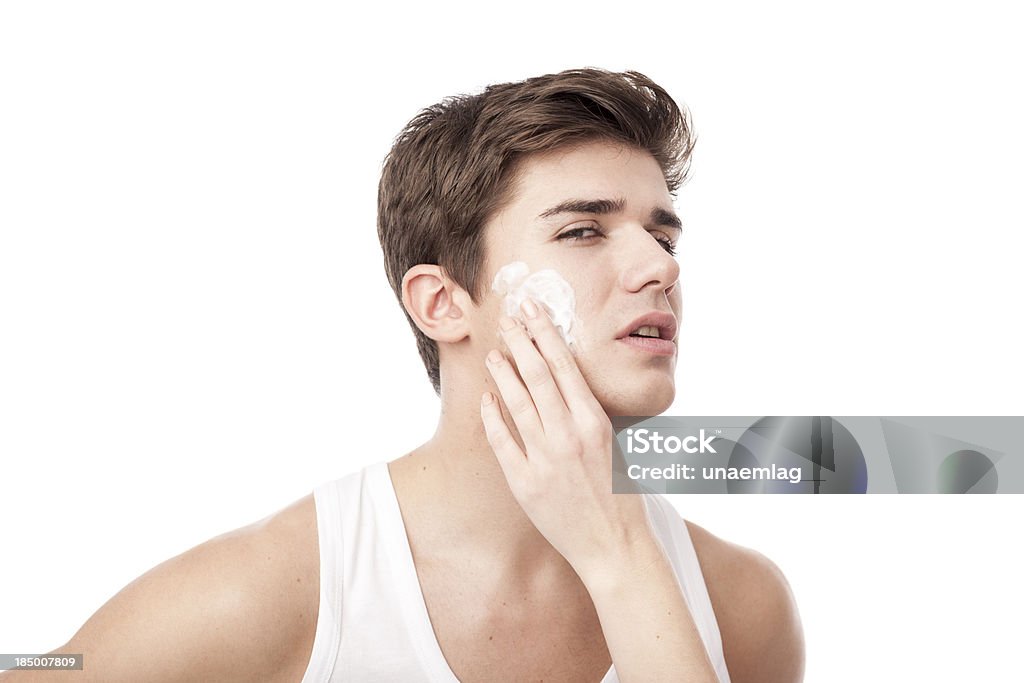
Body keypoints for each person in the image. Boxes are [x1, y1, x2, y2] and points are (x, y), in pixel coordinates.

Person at [1, 68, 804, 683]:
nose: (657, 265)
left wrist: (617, 555)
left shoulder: (743, 608)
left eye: (663, 235)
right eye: (585, 230)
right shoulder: (279, 589)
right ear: (443, 302)